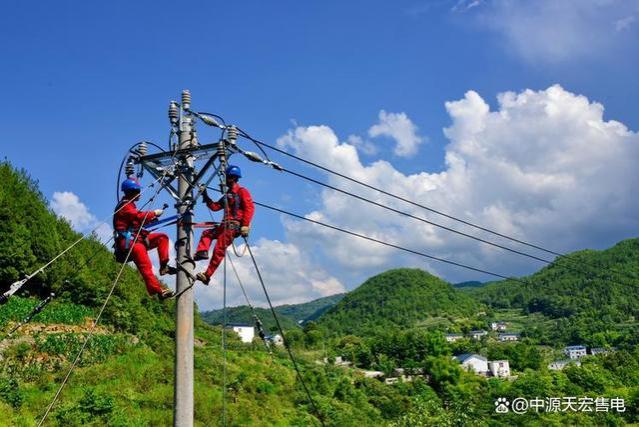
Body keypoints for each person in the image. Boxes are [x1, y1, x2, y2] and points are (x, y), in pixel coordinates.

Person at [113, 178, 176, 299]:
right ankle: (159, 291)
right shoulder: (125, 206)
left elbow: (136, 221)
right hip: (130, 243)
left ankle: (164, 267)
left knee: (162, 238)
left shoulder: (130, 205)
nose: (140, 194)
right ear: (133, 192)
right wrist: (154, 213)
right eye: (138, 191)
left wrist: (151, 219)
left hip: (138, 239)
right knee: (146, 266)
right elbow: (138, 216)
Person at [195, 165, 254, 284]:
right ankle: (202, 252)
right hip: (224, 226)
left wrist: (245, 225)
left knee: (219, 249)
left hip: (233, 226)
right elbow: (215, 207)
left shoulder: (242, 192)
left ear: (232, 178)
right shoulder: (228, 195)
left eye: (226, 177)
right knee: (207, 233)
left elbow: (250, 208)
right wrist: (205, 196)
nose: (224, 180)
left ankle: (207, 275)